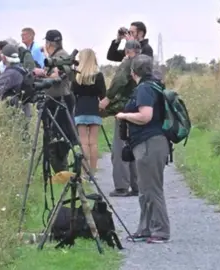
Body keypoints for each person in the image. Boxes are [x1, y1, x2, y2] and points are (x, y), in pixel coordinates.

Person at [115, 54, 170, 244]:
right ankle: (145, 228)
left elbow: (146, 116)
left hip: (150, 143)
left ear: (133, 72)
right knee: (145, 189)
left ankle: (160, 231)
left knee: (152, 189)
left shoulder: (145, 88)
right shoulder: (154, 85)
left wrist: (124, 115)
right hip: (151, 143)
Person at [99, 40, 141, 197]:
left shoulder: (128, 63)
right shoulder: (144, 64)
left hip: (125, 109)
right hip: (141, 110)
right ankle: (137, 185)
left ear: (127, 51)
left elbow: (119, 81)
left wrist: (108, 99)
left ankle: (121, 186)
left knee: (120, 146)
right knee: (136, 146)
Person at [32, 29, 76, 173]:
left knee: (60, 136)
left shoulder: (60, 56)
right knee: (53, 135)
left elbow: (57, 76)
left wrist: (42, 75)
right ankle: (57, 168)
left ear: (50, 43)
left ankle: (60, 168)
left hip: (59, 99)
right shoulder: (57, 55)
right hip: (55, 99)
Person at [71, 48, 106, 177]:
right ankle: (93, 170)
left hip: (80, 109)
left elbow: (72, 93)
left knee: (84, 142)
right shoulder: (98, 75)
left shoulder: (77, 76)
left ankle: (85, 172)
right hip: (94, 109)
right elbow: (103, 94)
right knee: (93, 142)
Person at [0, 43, 32, 139]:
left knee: (14, 138)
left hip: (14, 112)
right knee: (23, 138)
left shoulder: (10, 72)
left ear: (4, 58)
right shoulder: (21, 68)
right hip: (25, 109)